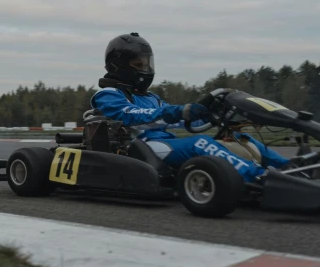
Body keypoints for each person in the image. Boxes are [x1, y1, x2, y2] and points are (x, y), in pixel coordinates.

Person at [89, 32, 290, 182]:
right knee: (199, 143)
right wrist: (179, 111)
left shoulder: (152, 97)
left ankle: (289, 168)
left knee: (239, 138)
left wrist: (212, 114)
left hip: (164, 144)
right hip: (138, 148)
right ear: (119, 65)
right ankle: (260, 177)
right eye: (138, 65)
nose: (145, 70)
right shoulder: (108, 95)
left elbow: (176, 120)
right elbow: (131, 116)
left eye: (146, 64)